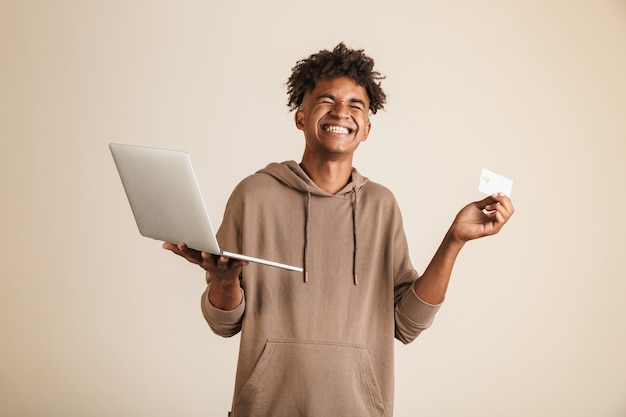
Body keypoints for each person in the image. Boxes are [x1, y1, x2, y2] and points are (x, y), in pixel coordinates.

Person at [163, 43, 514, 417]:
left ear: (366, 129)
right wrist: (223, 282)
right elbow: (224, 323)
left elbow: (408, 324)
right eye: (326, 100)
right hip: (265, 408)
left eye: (355, 106)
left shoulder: (381, 205)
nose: (340, 112)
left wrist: (454, 241)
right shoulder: (254, 194)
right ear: (300, 117)